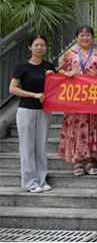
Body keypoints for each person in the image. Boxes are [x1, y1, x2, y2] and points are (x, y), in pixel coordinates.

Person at [9, 34, 56, 192]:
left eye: (42, 45)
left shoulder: (49, 66)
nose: (39, 48)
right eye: (36, 45)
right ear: (30, 47)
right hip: (26, 109)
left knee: (41, 147)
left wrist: (54, 76)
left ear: (46, 47)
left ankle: (41, 180)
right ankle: (30, 183)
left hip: (44, 110)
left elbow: (56, 87)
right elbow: (13, 89)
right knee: (27, 147)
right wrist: (34, 95)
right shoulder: (22, 66)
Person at [57, 25, 97, 176]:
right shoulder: (70, 54)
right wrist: (67, 73)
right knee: (75, 128)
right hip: (75, 99)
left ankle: (90, 162)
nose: (85, 38)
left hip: (94, 99)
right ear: (77, 38)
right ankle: (77, 162)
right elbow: (60, 70)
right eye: (81, 35)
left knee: (93, 127)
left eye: (88, 35)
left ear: (93, 37)